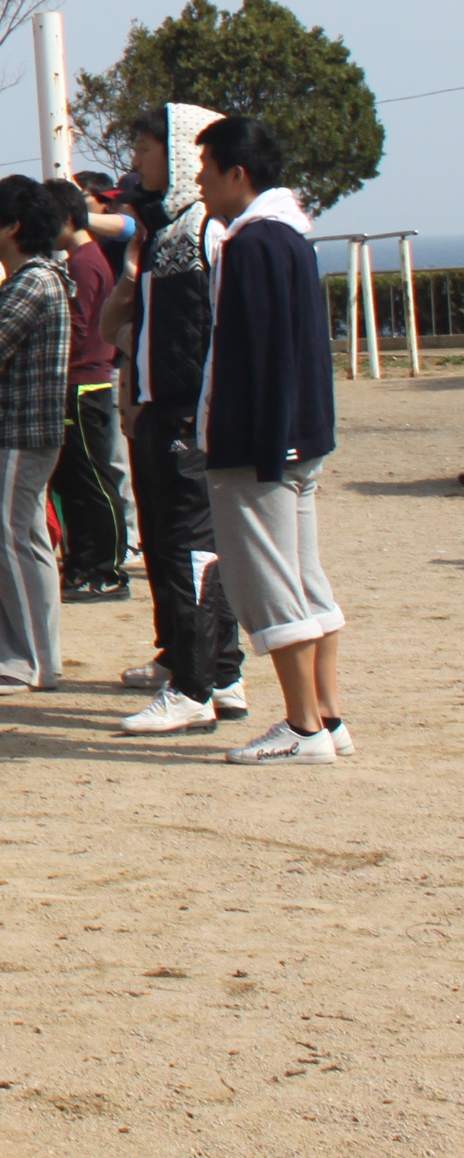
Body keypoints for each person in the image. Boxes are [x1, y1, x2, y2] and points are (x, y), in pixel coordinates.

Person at [196, 116, 350, 765]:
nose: (199, 183)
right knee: (304, 578)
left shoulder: (251, 244)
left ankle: (302, 727)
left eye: (206, 170)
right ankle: (327, 717)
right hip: (300, 435)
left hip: (261, 444)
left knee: (268, 583)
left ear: (237, 174)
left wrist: (263, 444)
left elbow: (260, 352)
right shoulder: (292, 237)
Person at [110, 102, 249, 736]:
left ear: (185, 152)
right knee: (174, 546)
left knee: (191, 549)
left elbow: (218, 329)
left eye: (147, 147)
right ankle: (217, 674)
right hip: (158, 409)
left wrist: (198, 410)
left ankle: (198, 686)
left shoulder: (206, 232)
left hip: (188, 416)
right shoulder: (164, 232)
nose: (137, 159)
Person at [0, 175, 72, 695]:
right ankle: (29, 654)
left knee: (6, 540)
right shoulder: (38, 278)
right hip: (21, 432)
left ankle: (29, 660)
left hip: (18, 432)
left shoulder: (30, 283)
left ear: (13, 226)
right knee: (25, 541)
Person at [44, 179, 132, 600]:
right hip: (75, 383)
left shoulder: (83, 262)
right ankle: (81, 564)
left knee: (94, 482)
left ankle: (108, 569)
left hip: (84, 384)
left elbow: (76, 330)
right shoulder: (79, 259)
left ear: (66, 217)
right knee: (73, 484)